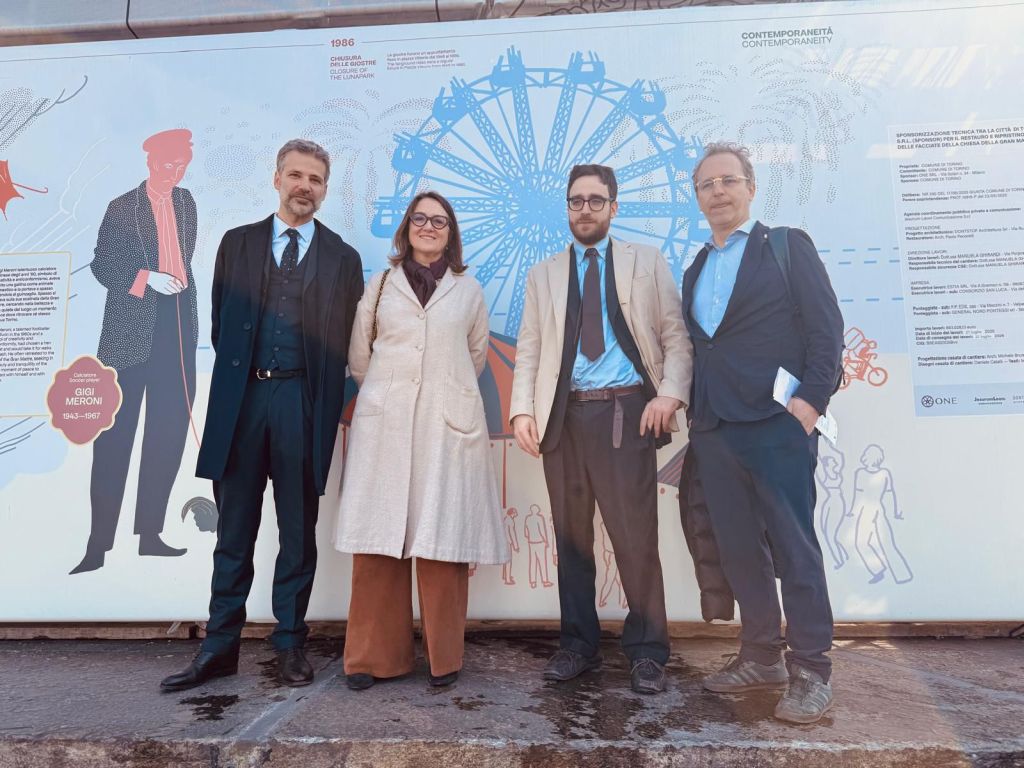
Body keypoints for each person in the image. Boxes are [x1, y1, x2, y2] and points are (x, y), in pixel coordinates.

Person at [160, 139, 364, 692]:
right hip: (243, 402)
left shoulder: (343, 258)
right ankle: (219, 647)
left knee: (298, 532)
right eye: (295, 175)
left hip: (302, 403)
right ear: (277, 179)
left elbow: (345, 340)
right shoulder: (238, 243)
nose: (304, 186)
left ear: (325, 190)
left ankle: (290, 644)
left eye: (315, 179)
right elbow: (221, 325)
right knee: (233, 531)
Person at [509, 164, 692, 694]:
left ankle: (648, 651)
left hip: (625, 414)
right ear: (567, 207)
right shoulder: (543, 274)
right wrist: (522, 411)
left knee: (635, 539)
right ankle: (577, 646)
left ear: (614, 206)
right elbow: (530, 348)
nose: (584, 209)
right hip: (562, 418)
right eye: (576, 200)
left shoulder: (646, 261)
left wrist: (669, 394)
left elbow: (675, 336)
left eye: (595, 200)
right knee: (571, 541)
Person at [681, 142, 844, 723]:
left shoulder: (786, 246)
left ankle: (811, 669)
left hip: (777, 426)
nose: (718, 192)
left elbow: (827, 327)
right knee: (739, 550)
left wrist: (811, 403)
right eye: (707, 185)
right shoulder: (696, 267)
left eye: (728, 180)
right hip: (716, 428)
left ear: (750, 187)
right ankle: (760, 656)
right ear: (697, 197)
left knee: (794, 549)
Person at [333, 191, 508, 690]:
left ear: (451, 234)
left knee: (441, 541)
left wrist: (438, 392)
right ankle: (372, 659)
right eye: (420, 218)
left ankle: (443, 659)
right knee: (378, 542)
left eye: (439, 221)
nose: (428, 226)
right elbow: (360, 355)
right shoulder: (381, 285)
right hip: (386, 424)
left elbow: (474, 355)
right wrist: (389, 394)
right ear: (406, 227)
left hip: (444, 426)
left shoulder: (468, 291)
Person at [72, 128, 198, 574]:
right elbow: (102, 264)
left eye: (181, 166)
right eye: (167, 164)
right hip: (128, 331)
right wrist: (146, 278)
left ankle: (150, 534)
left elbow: (185, 256)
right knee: (114, 437)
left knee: (168, 433)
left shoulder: (187, 202)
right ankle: (97, 544)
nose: (174, 173)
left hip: (176, 326)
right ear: (150, 161)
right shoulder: (122, 206)